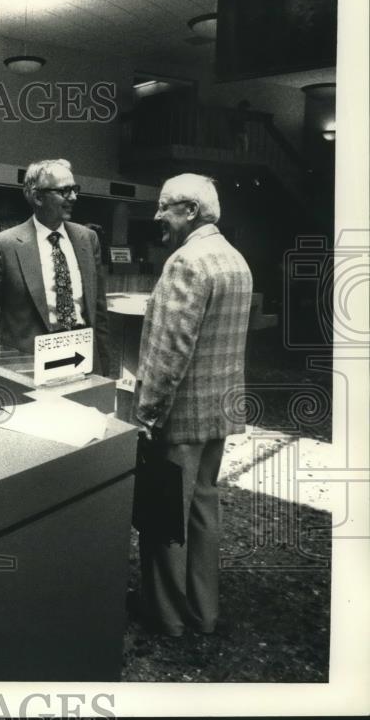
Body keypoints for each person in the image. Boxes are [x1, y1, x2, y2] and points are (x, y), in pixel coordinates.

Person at [134, 173, 253, 637]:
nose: (157, 216)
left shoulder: (186, 262)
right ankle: (204, 612)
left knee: (164, 519)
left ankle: (165, 616)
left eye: (165, 207)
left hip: (179, 418)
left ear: (190, 211)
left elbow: (170, 351)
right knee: (204, 511)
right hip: (219, 413)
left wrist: (146, 413)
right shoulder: (235, 259)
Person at [0, 158, 111, 375]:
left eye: (75, 189)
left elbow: (98, 310)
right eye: (64, 191)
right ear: (37, 197)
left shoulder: (88, 239)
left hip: (85, 362)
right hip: (30, 365)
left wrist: (104, 368)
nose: (73, 197)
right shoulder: (6, 244)